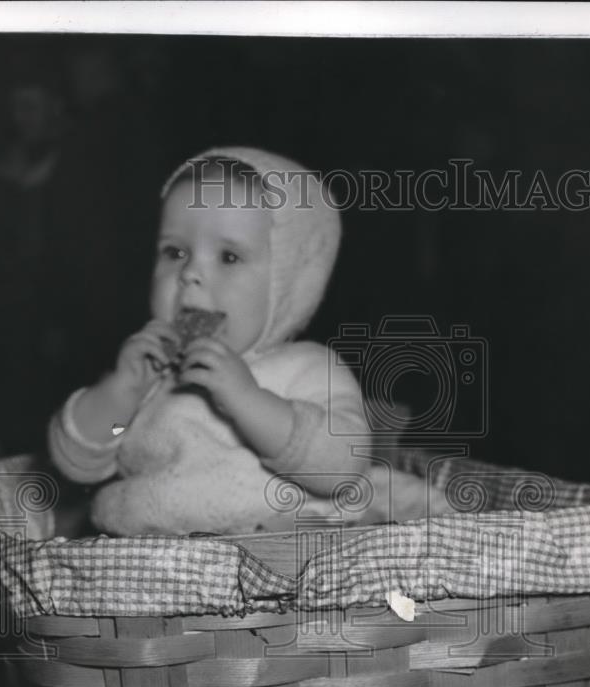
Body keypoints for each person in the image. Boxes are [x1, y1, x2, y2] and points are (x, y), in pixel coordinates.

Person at [47, 147, 371, 535]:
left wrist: (246, 400)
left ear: (289, 283)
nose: (190, 273)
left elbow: (341, 467)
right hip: (150, 563)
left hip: (283, 554)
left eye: (229, 257)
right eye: (175, 251)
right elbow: (80, 462)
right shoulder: (152, 377)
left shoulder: (308, 368)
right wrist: (121, 394)